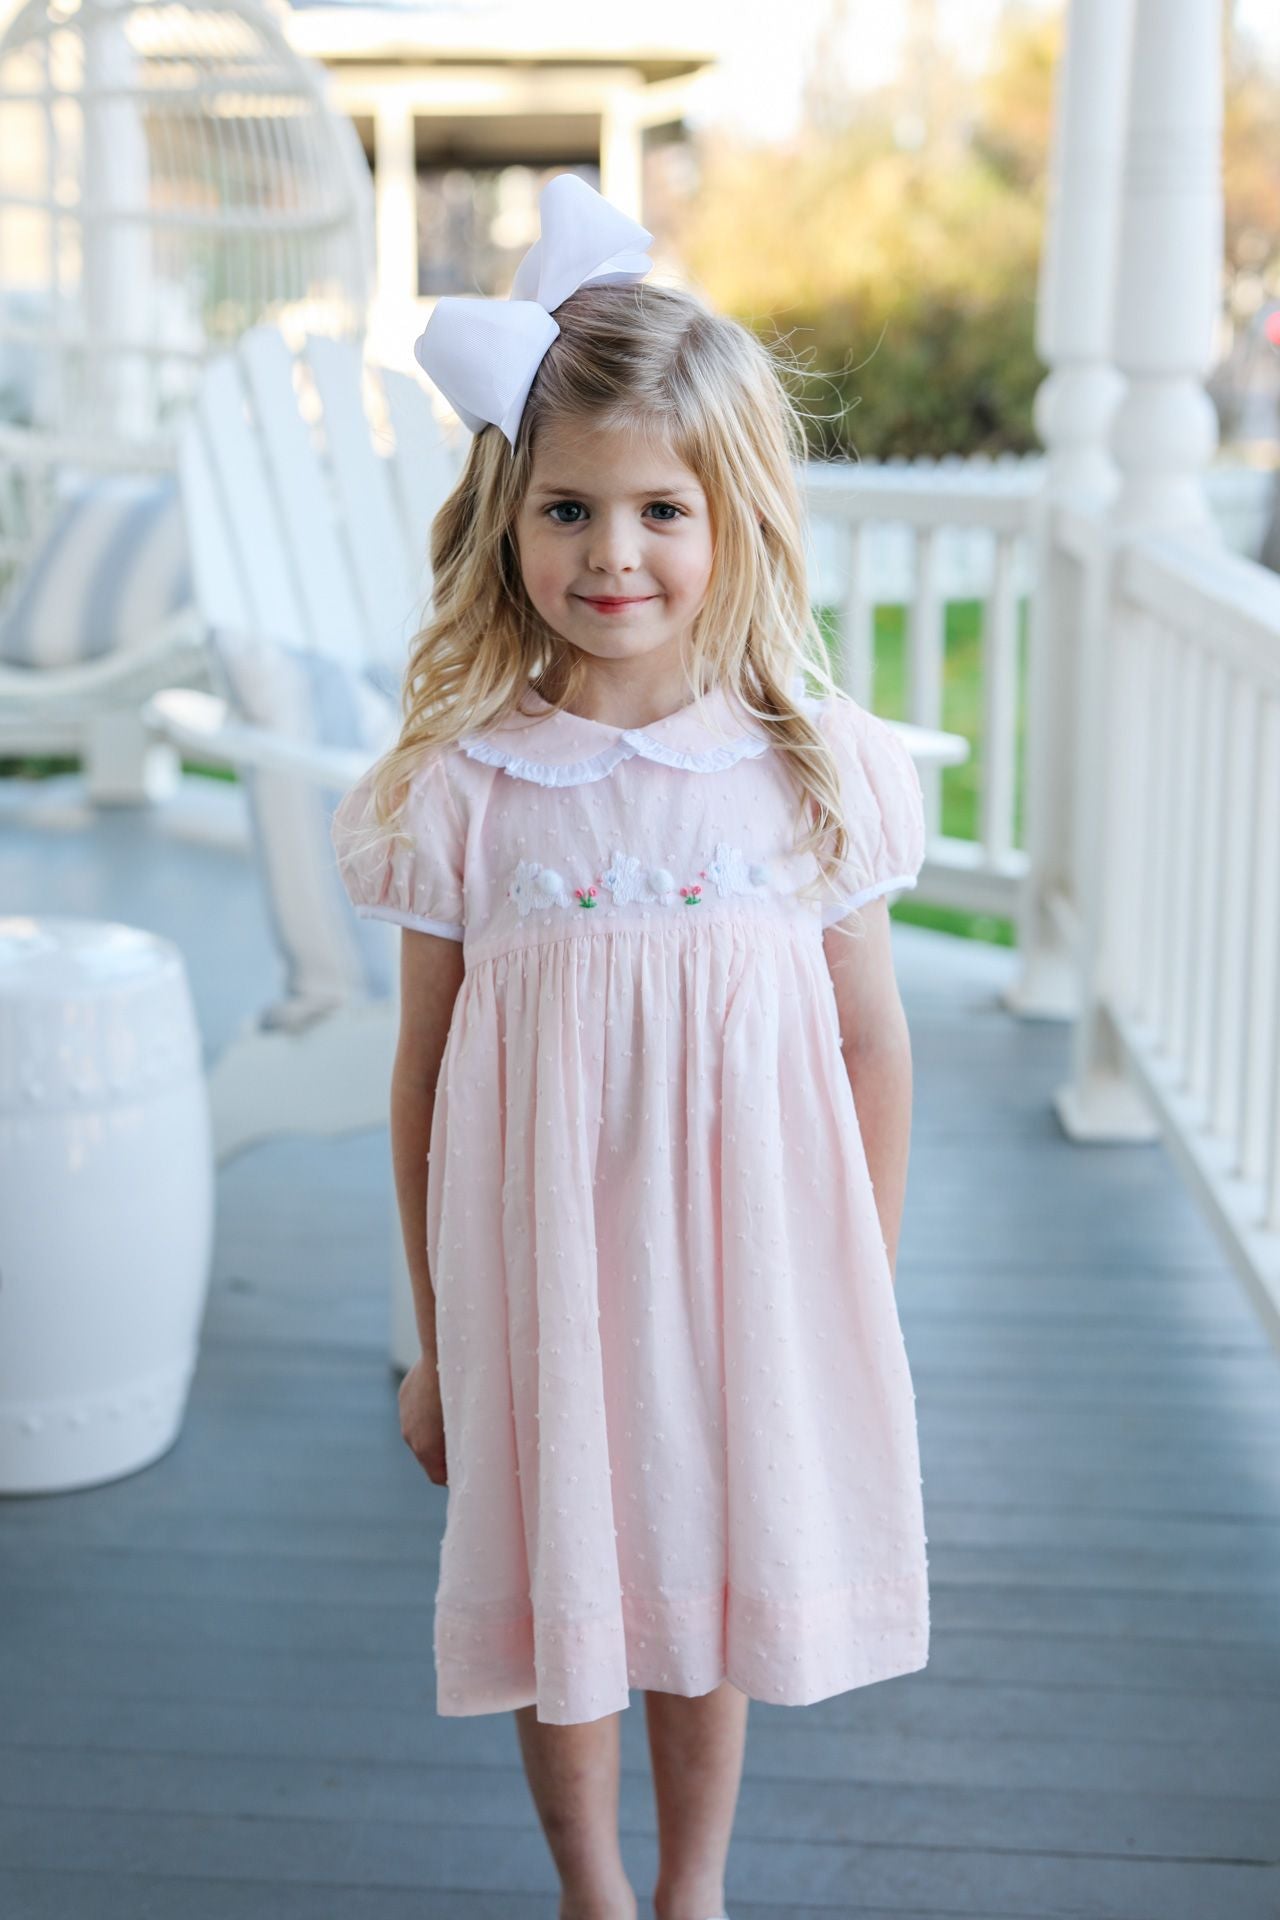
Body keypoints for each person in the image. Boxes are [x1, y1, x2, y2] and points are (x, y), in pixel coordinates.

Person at [330, 172, 930, 1920]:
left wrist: (857, 1291)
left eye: (662, 508)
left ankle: (694, 1890)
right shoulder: (468, 788)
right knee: (569, 1607)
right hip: (544, 1305)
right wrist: (436, 1347)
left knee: (707, 1598)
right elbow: (422, 1079)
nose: (613, 554)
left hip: (743, 1294)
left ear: (733, 515)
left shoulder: (807, 769)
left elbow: (871, 1048)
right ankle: (594, 1890)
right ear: (507, 521)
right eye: (570, 509)